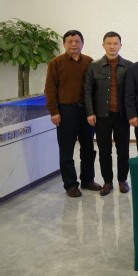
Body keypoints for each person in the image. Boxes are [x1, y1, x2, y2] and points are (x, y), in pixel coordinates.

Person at [44, 30, 101, 197]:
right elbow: (50, 88)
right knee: (66, 150)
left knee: (88, 148)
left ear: (82, 43)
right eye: (70, 41)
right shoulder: (56, 63)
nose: (74, 44)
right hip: (65, 112)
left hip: (86, 111)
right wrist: (53, 111)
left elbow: (95, 88)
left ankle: (88, 180)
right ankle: (70, 185)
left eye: (77, 41)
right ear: (64, 44)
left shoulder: (89, 62)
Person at [85, 31, 133, 196]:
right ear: (103, 45)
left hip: (122, 116)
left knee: (123, 151)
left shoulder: (129, 66)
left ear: (120, 45)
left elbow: (133, 92)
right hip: (101, 116)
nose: (112, 46)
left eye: (115, 43)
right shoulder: (94, 66)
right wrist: (90, 112)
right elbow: (88, 91)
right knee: (104, 151)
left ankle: (122, 180)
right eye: (109, 43)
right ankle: (107, 181)